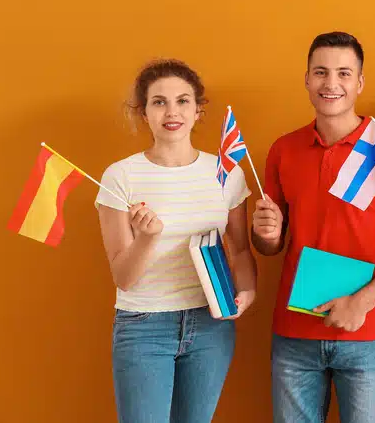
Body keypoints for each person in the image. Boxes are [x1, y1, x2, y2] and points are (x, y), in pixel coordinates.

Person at [251, 31, 375, 423]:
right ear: (307, 79)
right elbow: (269, 247)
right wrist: (265, 234)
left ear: (359, 82)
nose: (332, 84)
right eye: (321, 72)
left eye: (344, 73)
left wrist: (360, 302)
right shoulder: (283, 150)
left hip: (368, 333)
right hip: (294, 334)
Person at [96, 59, 256, 423]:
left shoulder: (226, 173)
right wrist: (147, 239)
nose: (172, 112)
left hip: (212, 325)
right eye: (159, 102)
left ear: (199, 110)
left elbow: (241, 249)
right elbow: (124, 276)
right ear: (143, 112)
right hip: (143, 327)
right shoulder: (120, 176)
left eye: (183, 101)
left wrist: (247, 290)